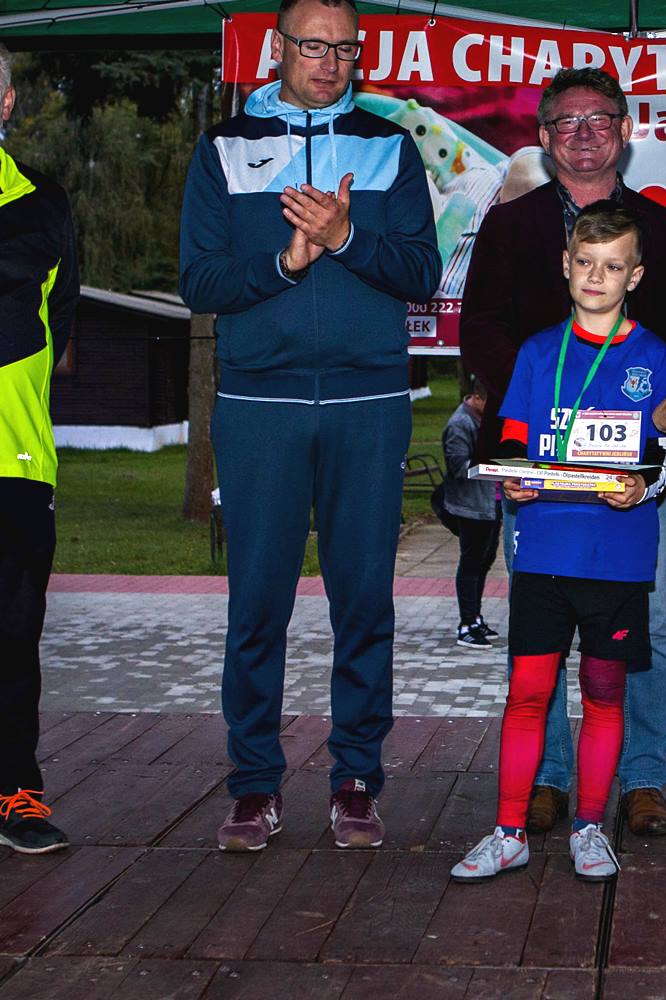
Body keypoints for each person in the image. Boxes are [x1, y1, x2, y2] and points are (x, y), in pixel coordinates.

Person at [179, 0, 440, 852]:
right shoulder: (223, 146)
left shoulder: (389, 145)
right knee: (257, 606)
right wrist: (287, 263)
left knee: (363, 603)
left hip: (368, 402)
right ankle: (254, 785)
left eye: (345, 49)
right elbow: (200, 282)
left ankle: (356, 780)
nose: (329, 62)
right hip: (260, 405)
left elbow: (421, 273)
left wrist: (346, 235)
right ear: (278, 47)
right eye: (313, 45)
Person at [461, 67, 666, 839]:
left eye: (599, 119)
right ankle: (548, 778)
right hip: (537, 467)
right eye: (566, 122)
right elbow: (480, 329)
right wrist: (541, 421)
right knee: (541, 630)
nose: (583, 134)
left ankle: (642, 778)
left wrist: (647, 428)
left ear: (624, 131)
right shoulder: (509, 226)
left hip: (634, 474)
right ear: (544, 137)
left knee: (650, 628)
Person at [449, 202, 666, 882]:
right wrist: (513, 479)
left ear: (634, 276)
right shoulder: (536, 352)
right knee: (528, 692)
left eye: (612, 266)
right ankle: (509, 831)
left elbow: (663, 463)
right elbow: (514, 443)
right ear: (566, 265)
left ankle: (589, 827)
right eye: (585, 262)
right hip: (545, 551)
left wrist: (642, 485)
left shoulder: (654, 357)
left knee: (604, 695)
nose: (596, 276)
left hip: (617, 557)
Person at [0, 44, 79, 856]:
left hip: (15, 463)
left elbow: (54, 332)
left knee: (13, 642)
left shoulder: (40, 204)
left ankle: (15, 792)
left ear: (6, 102)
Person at [436, 383, 501, 649]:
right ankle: (466, 623)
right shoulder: (460, 424)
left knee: (484, 561)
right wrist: (492, 466)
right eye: (489, 403)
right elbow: (458, 466)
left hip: (489, 504)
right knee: (471, 563)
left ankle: (475, 617)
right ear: (476, 398)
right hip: (470, 506)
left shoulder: (483, 420)